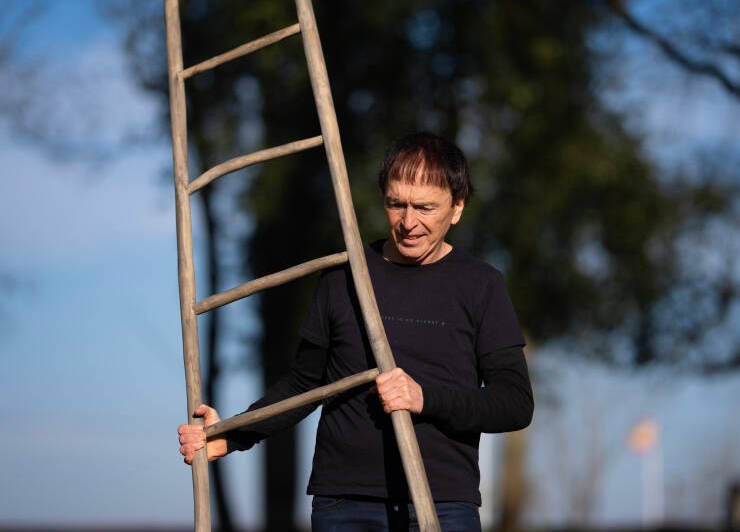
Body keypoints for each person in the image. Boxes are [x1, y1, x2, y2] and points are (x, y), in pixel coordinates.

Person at [178, 131, 534, 531]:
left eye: (425, 207)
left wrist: (424, 398)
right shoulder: (343, 276)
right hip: (343, 503)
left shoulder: (482, 286)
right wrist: (232, 435)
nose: (408, 222)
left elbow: (515, 403)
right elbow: (304, 383)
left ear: (457, 207)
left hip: (443, 503)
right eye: (396, 204)